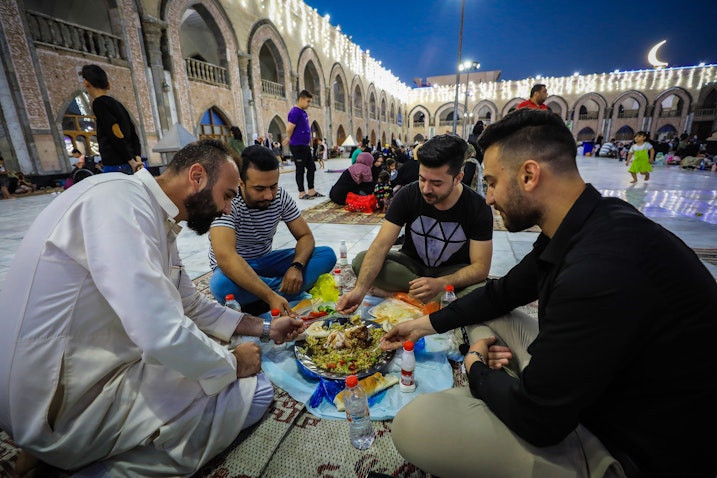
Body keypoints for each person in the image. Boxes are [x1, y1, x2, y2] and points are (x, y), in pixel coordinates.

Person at [381, 109, 717, 478]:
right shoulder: (588, 219)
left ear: (529, 175)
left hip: (630, 445)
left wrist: (475, 366)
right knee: (482, 307)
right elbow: (503, 293)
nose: (489, 198)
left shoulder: (598, 270)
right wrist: (424, 324)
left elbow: (538, 421)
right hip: (602, 385)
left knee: (415, 423)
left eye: (492, 182)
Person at [0, 139, 306, 477]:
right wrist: (232, 363)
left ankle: (53, 453)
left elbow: (189, 304)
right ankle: (68, 464)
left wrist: (265, 328)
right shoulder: (121, 203)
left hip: (62, 381)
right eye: (229, 194)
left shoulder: (146, 209)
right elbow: (160, 330)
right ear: (197, 176)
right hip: (62, 402)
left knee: (200, 366)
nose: (229, 209)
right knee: (256, 393)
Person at [337, 134, 493, 311]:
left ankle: (410, 296)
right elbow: (380, 245)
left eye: (436, 183)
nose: (426, 189)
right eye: (422, 179)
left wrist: (441, 283)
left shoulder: (478, 207)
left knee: (482, 291)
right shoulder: (407, 194)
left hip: (451, 272)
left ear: (458, 178)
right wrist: (360, 290)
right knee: (361, 261)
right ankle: (434, 301)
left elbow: (481, 267)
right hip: (411, 267)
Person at [208, 145, 336, 315]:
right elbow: (226, 258)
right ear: (241, 183)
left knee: (326, 254)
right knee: (220, 285)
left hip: (266, 261)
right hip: (236, 267)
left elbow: (305, 236)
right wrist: (270, 295)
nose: (268, 195)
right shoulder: (227, 201)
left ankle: (259, 295)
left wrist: (296, 267)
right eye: (259, 189)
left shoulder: (280, 196)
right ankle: (280, 293)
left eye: (273, 186)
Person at [80, 64, 143, 175]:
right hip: (130, 162)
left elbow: (114, 132)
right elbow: (133, 133)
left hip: (116, 164)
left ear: (86, 83)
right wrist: (137, 158)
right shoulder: (118, 105)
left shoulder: (99, 103)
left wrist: (131, 161)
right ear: (108, 85)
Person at [283, 90, 323, 200]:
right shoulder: (295, 111)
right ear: (301, 99)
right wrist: (289, 137)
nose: (309, 104)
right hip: (298, 146)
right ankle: (301, 192)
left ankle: (311, 190)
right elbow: (289, 128)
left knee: (312, 167)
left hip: (304, 146)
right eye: (308, 101)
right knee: (300, 169)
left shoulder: (302, 112)